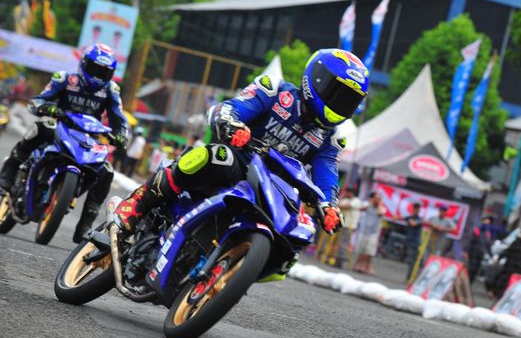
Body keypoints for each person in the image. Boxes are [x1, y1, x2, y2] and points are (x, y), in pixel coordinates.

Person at [113, 49, 369, 252]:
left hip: (275, 191)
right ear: (317, 80)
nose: (342, 104)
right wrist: (231, 124)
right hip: (237, 165)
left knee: (299, 230)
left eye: (350, 100)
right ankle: (137, 204)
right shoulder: (274, 91)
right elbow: (228, 108)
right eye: (339, 94)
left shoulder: (331, 138)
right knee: (214, 156)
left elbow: (327, 175)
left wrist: (329, 205)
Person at [0, 44, 128, 243]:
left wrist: (120, 135)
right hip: (59, 127)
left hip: (87, 138)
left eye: (104, 72)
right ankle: (8, 172)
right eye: (95, 69)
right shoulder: (65, 79)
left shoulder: (110, 90)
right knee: (41, 128)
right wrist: (47, 107)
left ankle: (85, 224)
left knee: (107, 171)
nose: (98, 76)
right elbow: (36, 102)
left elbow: (119, 119)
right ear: (84, 64)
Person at [352, 193, 386, 274]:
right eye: (375, 198)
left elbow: (380, 213)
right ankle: (358, 265)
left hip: (373, 233)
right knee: (362, 250)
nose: (376, 200)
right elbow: (360, 208)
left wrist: (379, 204)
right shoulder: (368, 206)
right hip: (364, 231)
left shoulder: (381, 208)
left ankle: (366, 267)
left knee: (369, 252)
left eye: (378, 199)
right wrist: (370, 203)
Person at [403, 202, 423, 281]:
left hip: (415, 243)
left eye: (417, 209)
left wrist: (409, 220)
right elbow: (401, 218)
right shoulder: (410, 217)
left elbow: (414, 224)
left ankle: (411, 276)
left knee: (413, 260)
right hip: (409, 241)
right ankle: (410, 276)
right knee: (410, 260)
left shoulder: (419, 219)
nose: (415, 211)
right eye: (414, 209)